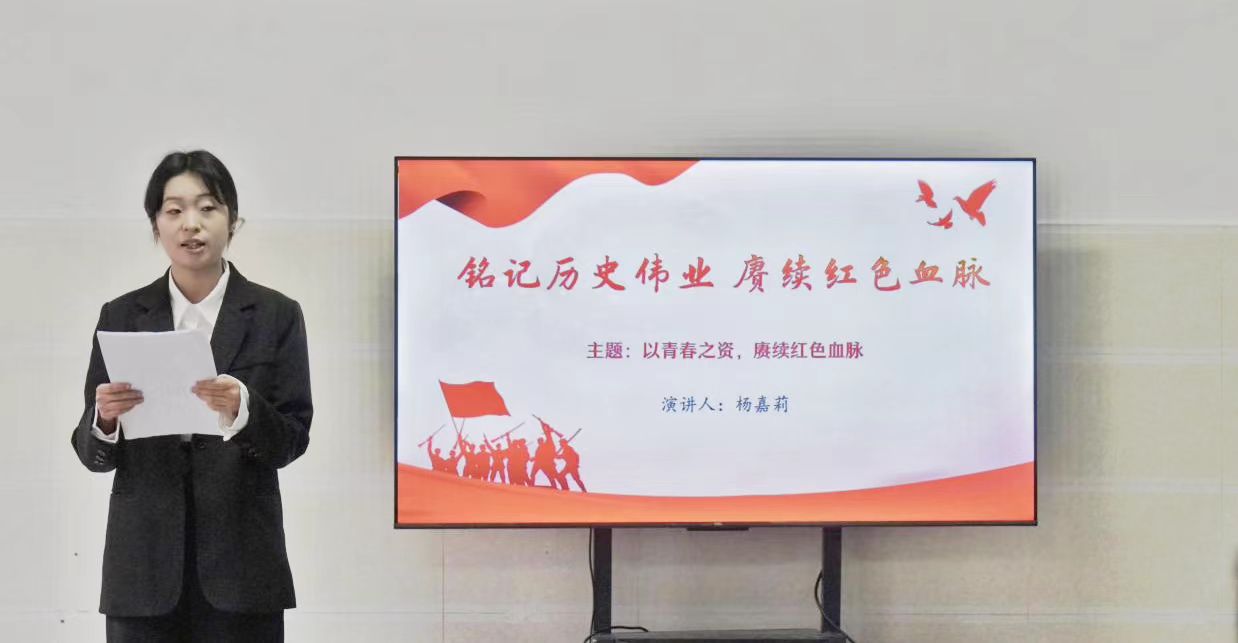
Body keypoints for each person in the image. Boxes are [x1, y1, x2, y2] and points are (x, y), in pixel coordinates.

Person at [69, 150, 312, 642]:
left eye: (207, 208)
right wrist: (105, 420)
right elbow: (92, 453)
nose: (191, 224)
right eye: (174, 210)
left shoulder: (276, 314)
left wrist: (243, 410)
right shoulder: (122, 315)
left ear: (233, 220)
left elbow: (292, 439)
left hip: (243, 565)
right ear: (155, 224)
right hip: (143, 569)